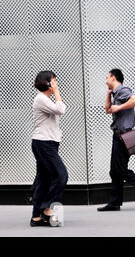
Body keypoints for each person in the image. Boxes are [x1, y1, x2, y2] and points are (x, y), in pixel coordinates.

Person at [97, 69, 135, 212]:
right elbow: (107, 110)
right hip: (117, 135)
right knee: (115, 171)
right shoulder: (115, 93)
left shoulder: (123, 90)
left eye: (107, 77)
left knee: (120, 170)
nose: (106, 80)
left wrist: (119, 106)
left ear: (113, 78)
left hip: (124, 137)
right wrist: (108, 94)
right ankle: (115, 202)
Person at [30, 71, 68, 227]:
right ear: (47, 83)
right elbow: (61, 109)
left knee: (43, 180)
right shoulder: (40, 99)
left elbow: (60, 108)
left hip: (49, 143)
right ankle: (45, 208)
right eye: (54, 81)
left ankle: (35, 218)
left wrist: (57, 94)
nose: (56, 84)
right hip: (43, 143)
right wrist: (57, 92)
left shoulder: (46, 100)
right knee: (62, 175)